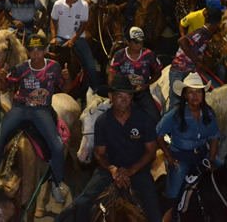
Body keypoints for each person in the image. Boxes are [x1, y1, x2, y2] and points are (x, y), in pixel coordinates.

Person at [57, 75, 161, 222]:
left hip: (138, 170)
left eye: (128, 96)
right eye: (120, 95)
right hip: (109, 171)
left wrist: (131, 170)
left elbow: (151, 152)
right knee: (82, 203)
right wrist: (112, 169)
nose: (124, 100)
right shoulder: (102, 122)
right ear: (111, 97)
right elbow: (99, 154)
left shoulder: (144, 119)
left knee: (155, 211)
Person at [0, 34, 71, 204]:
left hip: (42, 110)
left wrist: (67, 78)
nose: (36, 54)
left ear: (45, 51)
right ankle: (2, 174)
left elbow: (65, 89)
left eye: (39, 50)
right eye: (32, 51)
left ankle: (57, 183)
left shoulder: (54, 67)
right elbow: (5, 86)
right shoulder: (21, 68)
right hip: (20, 108)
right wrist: (1, 77)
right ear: (27, 52)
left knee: (57, 146)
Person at [156, 72, 218, 220]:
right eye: (191, 92)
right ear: (185, 95)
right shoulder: (175, 114)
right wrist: (168, 156)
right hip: (181, 157)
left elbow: (214, 137)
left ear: (203, 94)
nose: (195, 96)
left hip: (202, 155)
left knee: (226, 173)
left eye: (198, 92)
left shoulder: (209, 113)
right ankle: (170, 216)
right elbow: (158, 133)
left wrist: (211, 159)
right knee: (174, 193)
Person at [51, 0, 99, 91]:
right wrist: (53, 37)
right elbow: (53, 20)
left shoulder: (84, 5)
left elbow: (82, 26)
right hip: (61, 37)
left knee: (91, 65)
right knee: (46, 55)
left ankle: (95, 88)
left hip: (78, 38)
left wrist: (72, 40)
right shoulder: (58, 4)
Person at [172, 8, 223, 106]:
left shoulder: (206, 35)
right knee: (175, 105)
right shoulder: (202, 33)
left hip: (190, 70)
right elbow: (182, 41)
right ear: (217, 24)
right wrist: (196, 60)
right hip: (180, 70)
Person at [108, 27, 162, 120]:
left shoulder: (149, 55)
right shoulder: (119, 55)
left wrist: (146, 85)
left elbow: (158, 73)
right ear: (127, 42)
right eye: (136, 42)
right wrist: (115, 92)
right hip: (123, 92)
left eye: (141, 42)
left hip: (141, 91)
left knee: (155, 117)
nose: (139, 45)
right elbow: (111, 77)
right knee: (113, 116)